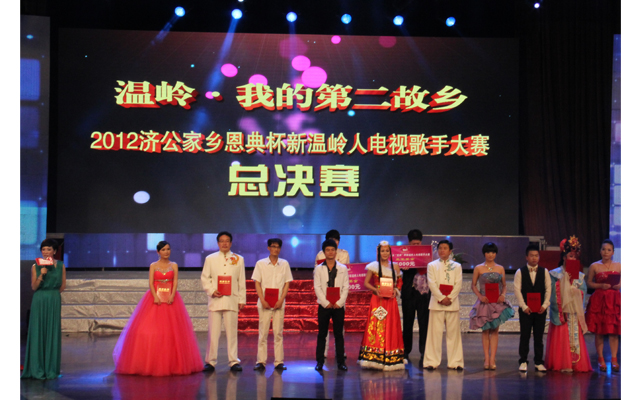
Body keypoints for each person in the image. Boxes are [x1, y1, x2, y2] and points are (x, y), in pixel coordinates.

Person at [112, 241, 202, 376]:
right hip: (155, 298)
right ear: (158, 252)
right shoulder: (153, 265)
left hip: (171, 298)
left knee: (173, 331)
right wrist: (155, 296)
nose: (166, 252)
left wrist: (172, 295)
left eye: (168, 249)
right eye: (163, 250)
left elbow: (175, 282)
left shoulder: (174, 265)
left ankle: (173, 363)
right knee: (148, 329)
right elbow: (151, 283)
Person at [545, 236, 592, 372]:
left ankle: (575, 363)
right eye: (570, 256)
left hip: (574, 313)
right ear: (564, 257)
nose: (572, 259)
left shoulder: (580, 276)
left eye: (574, 257)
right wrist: (564, 287)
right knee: (562, 335)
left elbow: (583, 292)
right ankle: (562, 362)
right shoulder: (555, 274)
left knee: (575, 335)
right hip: (562, 313)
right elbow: (552, 293)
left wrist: (575, 292)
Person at [21, 239, 67, 379]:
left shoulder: (60, 266)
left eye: (49, 249)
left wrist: (52, 295)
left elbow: (63, 286)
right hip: (39, 299)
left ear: (54, 251)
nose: (46, 252)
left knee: (51, 331)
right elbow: (34, 286)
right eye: (43, 249)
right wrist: (41, 274)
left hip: (53, 299)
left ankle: (50, 368)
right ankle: (37, 367)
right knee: (38, 331)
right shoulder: (35, 266)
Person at [201, 231, 247, 372]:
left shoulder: (239, 259)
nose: (224, 243)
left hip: (231, 299)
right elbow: (205, 278)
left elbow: (241, 280)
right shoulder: (210, 259)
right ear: (218, 243)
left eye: (227, 241)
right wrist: (211, 290)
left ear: (231, 243)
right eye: (222, 241)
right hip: (215, 299)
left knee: (232, 332)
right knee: (213, 333)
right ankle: (210, 361)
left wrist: (241, 299)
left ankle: (233, 361)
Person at [357, 241, 406, 370]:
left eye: (387, 251)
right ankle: (374, 357)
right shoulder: (373, 266)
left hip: (390, 300)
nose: (385, 253)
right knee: (376, 325)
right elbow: (366, 283)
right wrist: (376, 290)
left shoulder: (395, 266)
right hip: (377, 300)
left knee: (391, 325)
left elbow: (399, 282)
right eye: (382, 251)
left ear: (390, 252)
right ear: (378, 252)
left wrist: (396, 290)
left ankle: (390, 355)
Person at [469, 242, 515, 370]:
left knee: (495, 330)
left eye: (493, 252)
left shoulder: (500, 268)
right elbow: (473, 285)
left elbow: (504, 285)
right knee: (485, 330)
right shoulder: (478, 268)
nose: (491, 255)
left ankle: (492, 358)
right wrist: (480, 296)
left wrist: (503, 295)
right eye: (488, 252)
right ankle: (486, 358)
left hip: (497, 302)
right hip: (484, 302)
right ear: (484, 253)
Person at [252, 238, 293, 371]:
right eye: (273, 246)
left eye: (278, 247)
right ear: (268, 248)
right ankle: (261, 361)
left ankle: (279, 361)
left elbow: (287, 283)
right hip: (264, 303)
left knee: (278, 333)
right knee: (263, 333)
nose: (275, 249)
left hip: (279, 303)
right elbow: (257, 283)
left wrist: (281, 300)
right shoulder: (260, 264)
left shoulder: (284, 264)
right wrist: (262, 299)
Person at [423, 239, 464, 370]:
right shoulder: (432, 265)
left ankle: (455, 362)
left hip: (452, 303)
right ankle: (431, 361)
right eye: (440, 248)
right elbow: (432, 283)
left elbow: (458, 284)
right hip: (436, 303)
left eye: (445, 248)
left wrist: (450, 298)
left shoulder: (457, 266)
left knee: (453, 334)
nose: (442, 250)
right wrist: (441, 298)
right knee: (434, 334)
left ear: (450, 251)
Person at [585, 239, 621, 372]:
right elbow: (589, 283)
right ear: (600, 251)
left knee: (614, 331)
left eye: (609, 250)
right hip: (599, 300)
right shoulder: (594, 266)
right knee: (599, 331)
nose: (606, 252)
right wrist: (600, 285)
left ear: (613, 252)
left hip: (614, 300)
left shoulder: (619, 265)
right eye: (603, 249)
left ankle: (614, 359)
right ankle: (600, 359)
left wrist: (619, 285)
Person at [514, 244, 551, 372]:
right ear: (526, 257)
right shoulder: (520, 272)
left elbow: (548, 289)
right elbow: (517, 290)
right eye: (531, 256)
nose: (534, 258)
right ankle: (523, 361)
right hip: (526, 310)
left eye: (536, 256)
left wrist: (545, 305)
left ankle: (539, 362)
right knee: (525, 335)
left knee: (539, 336)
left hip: (540, 310)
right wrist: (523, 306)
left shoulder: (545, 271)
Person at [313, 239, 349, 371]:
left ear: (335, 252)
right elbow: (317, 287)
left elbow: (346, 287)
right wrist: (326, 302)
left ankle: (341, 362)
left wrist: (339, 303)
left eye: (332, 250)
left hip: (338, 306)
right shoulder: (318, 269)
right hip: (324, 306)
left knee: (339, 334)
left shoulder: (343, 268)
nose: (330, 252)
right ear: (324, 252)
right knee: (322, 334)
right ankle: (319, 361)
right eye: (327, 250)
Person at [401, 229, 430, 362]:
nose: (416, 246)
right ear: (409, 242)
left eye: (418, 243)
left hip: (423, 294)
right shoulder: (403, 254)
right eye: (413, 244)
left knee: (424, 323)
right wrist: (403, 267)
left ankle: (424, 351)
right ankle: (406, 351)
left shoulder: (427, 254)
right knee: (408, 323)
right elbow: (397, 269)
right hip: (408, 293)